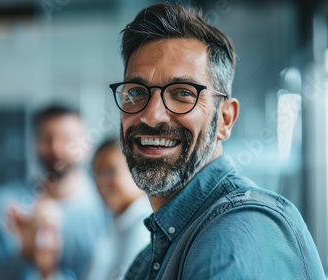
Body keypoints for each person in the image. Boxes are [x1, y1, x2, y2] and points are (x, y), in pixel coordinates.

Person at [108, 2, 325, 279]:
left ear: (225, 119)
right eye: (137, 92)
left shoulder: (237, 233)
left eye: (182, 93)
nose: (151, 116)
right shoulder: (153, 255)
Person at [0, 105, 109, 280]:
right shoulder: (6, 204)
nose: (56, 149)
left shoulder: (106, 204)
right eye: (46, 138)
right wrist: (26, 253)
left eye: (68, 139)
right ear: (34, 143)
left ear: (87, 146)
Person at [87, 138, 151, 280]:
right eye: (96, 174)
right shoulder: (117, 223)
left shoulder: (145, 227)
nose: (100, 182)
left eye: (110, 172)